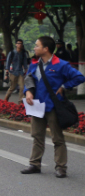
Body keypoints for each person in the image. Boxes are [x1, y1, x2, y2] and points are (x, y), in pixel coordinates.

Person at [21, 36, 85, 178]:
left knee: (57, 138)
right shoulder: (34, 64)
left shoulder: (61, 64)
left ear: (46, 49)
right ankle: (34, 164)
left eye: (37, 46)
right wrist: (28, 92)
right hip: (37, 106)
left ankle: (61, 167)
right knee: (37, 136)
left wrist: (65, 86)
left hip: (53, 106)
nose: (34, 48)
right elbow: (29, 79)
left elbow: (80, 77)